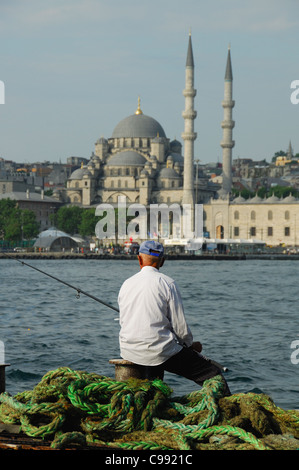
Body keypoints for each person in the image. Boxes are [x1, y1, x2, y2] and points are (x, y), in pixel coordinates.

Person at [118, 240, 230, 395]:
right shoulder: (168, 283)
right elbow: (180, 328)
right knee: (213, 376)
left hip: (128, 350)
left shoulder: (126, 284)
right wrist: (191, 346)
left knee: (155, 366)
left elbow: (124, 321)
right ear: (162, 261)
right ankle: (229, 410)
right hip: (158, 351)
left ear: (139, 259)